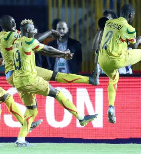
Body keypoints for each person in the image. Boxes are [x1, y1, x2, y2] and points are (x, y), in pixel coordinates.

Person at [12, 19, 98, 147]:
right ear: (28, 30)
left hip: (18, 81)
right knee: (57, 93)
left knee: (31, 110)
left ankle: (20, 140)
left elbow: (41, 48)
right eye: (33, 29)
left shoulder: (16, 42)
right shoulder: (29, 41)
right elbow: (47, 49)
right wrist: (63, 54)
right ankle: (81, 118)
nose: (35, 31)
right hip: (29, 78)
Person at [0, 15, 99, 95]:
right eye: (12, 21)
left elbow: (40, 46)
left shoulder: (11, 35)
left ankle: (90, 80)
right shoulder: (8, 36)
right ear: (10, 24)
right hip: (17, 74)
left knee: (32, 106)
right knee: (55, 93)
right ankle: (80, 116)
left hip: (22, 71)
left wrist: (61, 54)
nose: (14, 23)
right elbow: (37, 41)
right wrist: (50, 33)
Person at [98, 4, 141, 124]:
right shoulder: (129, 28)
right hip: (116, 59)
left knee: (114, 78)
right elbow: (134, 46)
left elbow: (118, 40)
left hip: (103, 60)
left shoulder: (109, 23)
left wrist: (135, 43)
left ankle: (111, 107)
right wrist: (139, 40)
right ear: (130, 15)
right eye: (133, 16)